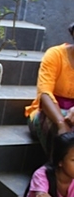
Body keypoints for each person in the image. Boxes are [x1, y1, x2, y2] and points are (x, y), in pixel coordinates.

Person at [25, 22, 74, 155]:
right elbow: (44, 94)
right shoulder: (55, 54)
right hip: (47, 112)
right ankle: (56, 171)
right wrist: (60, 123)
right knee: (65, 131)